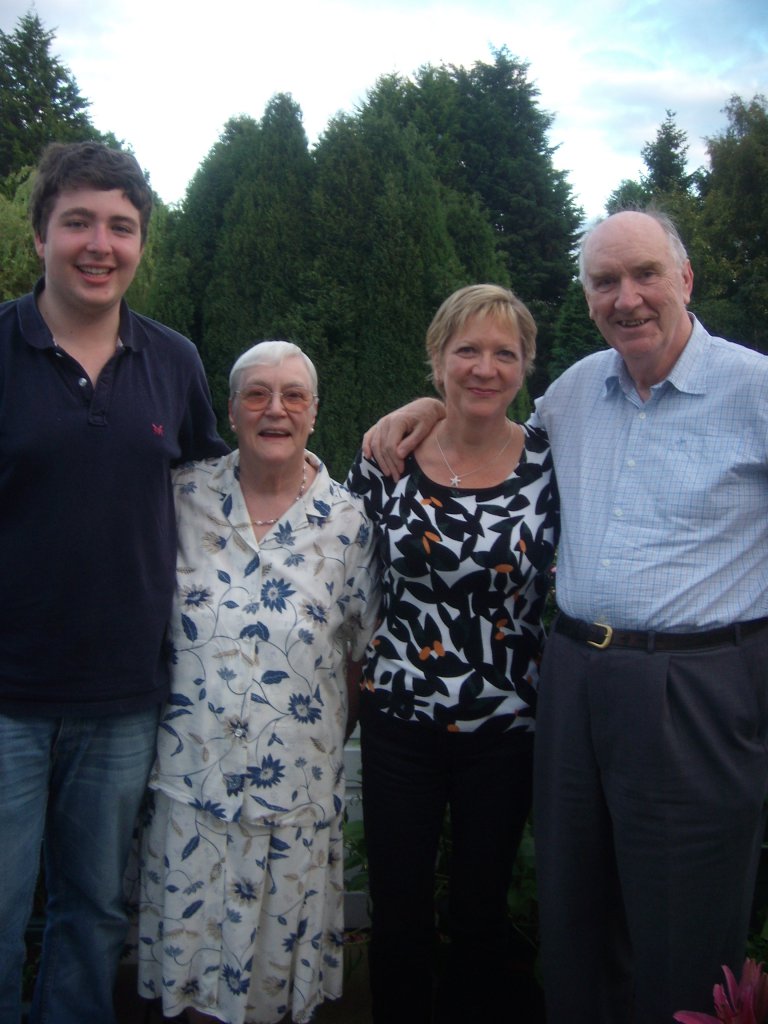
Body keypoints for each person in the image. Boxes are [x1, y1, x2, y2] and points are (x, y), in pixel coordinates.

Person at [364, 210, 768, 1023]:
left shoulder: (755, 389)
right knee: (573, 910)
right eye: (604, 281)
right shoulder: (577, 394)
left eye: (645, 274)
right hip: (574, 679)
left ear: (685, 280)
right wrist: (427, 407)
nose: (627, 298)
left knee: (684, 921)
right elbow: (484, 415)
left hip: (698, 683)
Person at [0, 141, 227, 1024]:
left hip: (124, 700)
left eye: (121, 227)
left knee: (93, 913)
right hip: (7, 698)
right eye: (79, 223)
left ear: (140, 244)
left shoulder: (174, 360)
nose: (100, 244)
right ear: (40, 237)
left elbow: (225, 491)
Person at [136, 341, 380, 1024]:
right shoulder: (181, 498)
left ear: (313, 413)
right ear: (232, 409)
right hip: (192, 791)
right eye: (257, 394)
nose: (276, 409)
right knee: (187, 992)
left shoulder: (349, 523)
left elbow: (357, 659)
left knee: (274, 993)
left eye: (293, 395)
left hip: (292, 801)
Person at [348, 285, 558, 1024]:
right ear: (436, 359)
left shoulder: (549, 463)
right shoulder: (387, 457)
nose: (484, 367)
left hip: (505, 730)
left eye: (505, 352)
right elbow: (349, 586)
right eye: (466, 349)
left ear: (526, 366)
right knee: (398, 911)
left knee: (480, 913)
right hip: (400, 719)